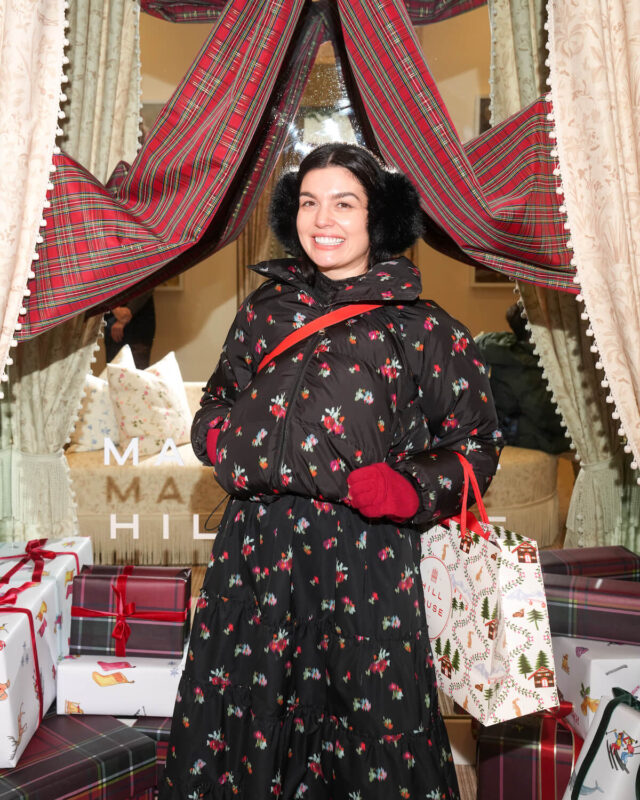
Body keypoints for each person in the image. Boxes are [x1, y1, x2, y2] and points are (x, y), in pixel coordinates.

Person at [159, 143, 502, 799]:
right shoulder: (264, 311)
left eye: (344, 203)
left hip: (365, 557)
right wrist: (223, 440)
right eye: (309, 202)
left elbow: (477, 445)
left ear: (379, 218)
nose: (323, 219)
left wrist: (410, 489)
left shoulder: (425, 329)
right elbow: (217, 402)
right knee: (248, 712)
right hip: (255, 550)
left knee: (368, 718)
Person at [475, 303, 570, 454]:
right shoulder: (525, 368)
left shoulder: (497, 346)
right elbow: (547, 417)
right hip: (512, 435)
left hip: (489, 427)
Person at [104, 289, 156, 369]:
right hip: (112, 316)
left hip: (140, 316)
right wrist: (115, 309)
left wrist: (128, 311)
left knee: (138, 369)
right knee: (115, 368)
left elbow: (148, 284)